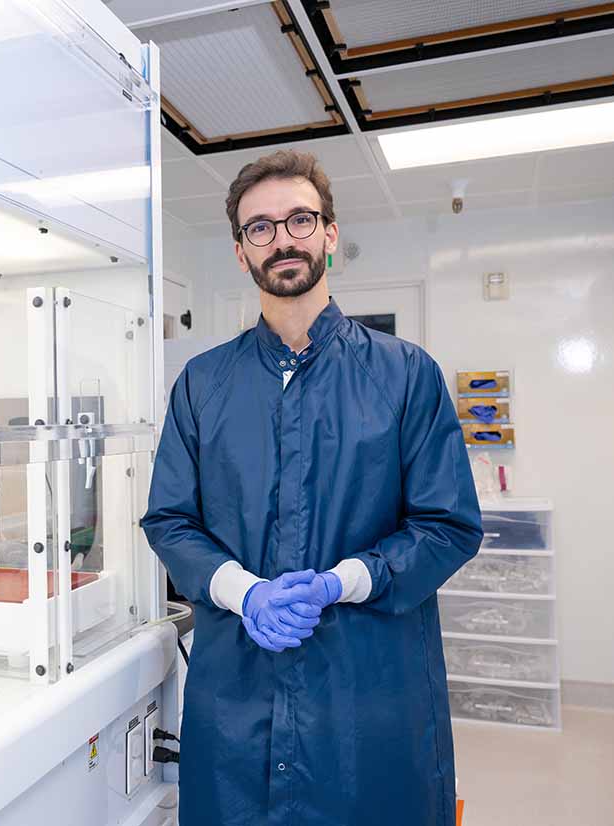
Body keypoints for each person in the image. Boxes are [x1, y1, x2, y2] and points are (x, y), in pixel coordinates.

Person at [142, 150, 482, 826]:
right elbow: (170, 520)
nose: (282, 239)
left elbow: (448, 525)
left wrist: (345, 580)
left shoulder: (406, 375)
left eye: (300, 219)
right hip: (238, 685)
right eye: (259, 227)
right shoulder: (203, 385)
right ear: (240, 252)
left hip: (369, 689)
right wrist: (246, 592)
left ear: (329, 233)